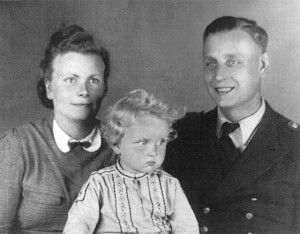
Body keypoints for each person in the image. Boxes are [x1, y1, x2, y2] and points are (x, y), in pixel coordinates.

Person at [163, 16, 300, 234]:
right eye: (210, 63)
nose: (218, 75)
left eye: (233, 62)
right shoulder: (180, 137)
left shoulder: (294, 145)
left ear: (262, 65)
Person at [0, 24, 113, 234]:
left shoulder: (120, 145)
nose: (83, 91)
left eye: (94, 80)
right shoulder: (18, 145)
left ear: (104, 87)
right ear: (50, 87)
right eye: (71, 80)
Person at [63, 89, 199, 234]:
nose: (153, 151)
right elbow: (79, 221)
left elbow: (187, 227)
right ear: (116, 144)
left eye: (161, 142)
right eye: (143, 142)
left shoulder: (170, 184)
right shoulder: (100, 183)